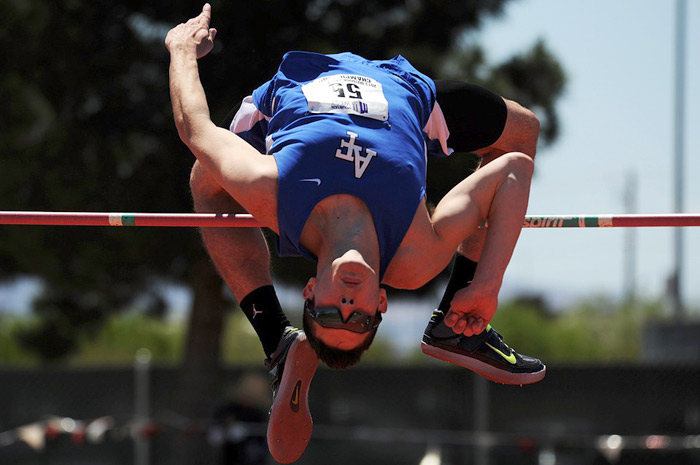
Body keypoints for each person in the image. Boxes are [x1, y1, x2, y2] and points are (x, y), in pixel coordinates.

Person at [166, 5, 544, 463]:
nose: (346, 307)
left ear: (310, 290)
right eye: (360, 320)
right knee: (525, 131)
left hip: (301, 84)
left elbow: (195, 128)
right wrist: (484, 286)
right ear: (379, 304)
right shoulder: (413, 257)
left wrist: (182, 50)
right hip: (406, 92)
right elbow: (512, 172)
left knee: (205, 177)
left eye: (329, 314)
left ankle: (276, 338)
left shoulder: (275, 194)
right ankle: (456, 326)